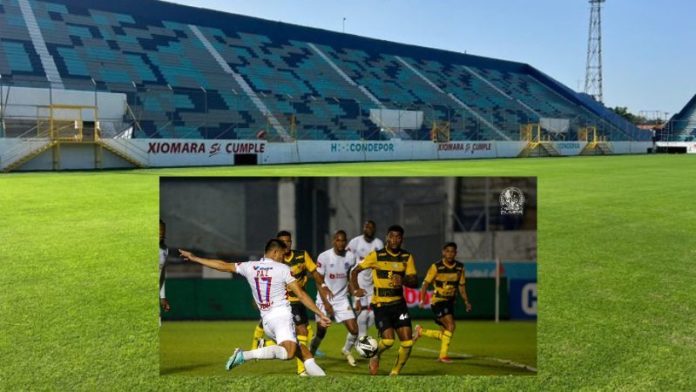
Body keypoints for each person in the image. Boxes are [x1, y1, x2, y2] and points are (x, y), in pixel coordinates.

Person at [178, 239, 331, 376]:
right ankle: (244, 356)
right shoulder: (282, 269)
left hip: (266, 323)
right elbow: (301, 295)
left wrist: (195, 258)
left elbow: (223, 266)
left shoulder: (250, 266)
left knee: (305, 354)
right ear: (275, 252)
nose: (284, 259)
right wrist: (320, 313)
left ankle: (325, 381)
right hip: (282, 318)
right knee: (289, 352)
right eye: (282, 255)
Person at [250, 230, 332, 375]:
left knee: (302, 334)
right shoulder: (276, 262)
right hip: (286, 303)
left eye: (288, 241)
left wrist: (324, 286)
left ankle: (266, 344)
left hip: (300, 301)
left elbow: (314, 273)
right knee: (302, 332)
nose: (286, 244)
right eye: (283, 242)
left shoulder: (301, 256)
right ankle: (302, 370)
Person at [349, 224, 418, 376]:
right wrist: (355, 289)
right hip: (381, 306)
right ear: (387, 237)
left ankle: (394, 373)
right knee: (388, 341)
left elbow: (414, 281)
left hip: (399, 305)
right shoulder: (376, 256)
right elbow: (355, 271)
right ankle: (375, 354)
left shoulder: (407, 257)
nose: (394, 240)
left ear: (402, 239)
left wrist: (404, 280)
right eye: (392, 236)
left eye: (398, 237)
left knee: (407, 343)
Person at [414, 242, 472, 363]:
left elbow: (461, 286)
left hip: (450, 302)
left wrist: (466, 301)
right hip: (438, 301)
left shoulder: (460, 268)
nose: (450, 254)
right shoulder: (436, 267)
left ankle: (420, 331)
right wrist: (421, 299)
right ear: (443, 252)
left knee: (445, 333)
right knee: (451, 326)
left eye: (452, 251)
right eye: (448, 251)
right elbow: (425, 283)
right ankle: (443, 356)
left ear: (456, 253)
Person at [308, 230, 360, 367]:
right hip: (324, 299)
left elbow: (350, 277)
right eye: (338, 240)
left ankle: (346, 350)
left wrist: (356, 299)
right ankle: (310, 353)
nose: (341, 243)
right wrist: (326, 303)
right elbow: (318, 281)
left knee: (354, 330)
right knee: (321, 331)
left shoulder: (351, 257)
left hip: (342, 299)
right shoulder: (324, 257)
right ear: (333, 241)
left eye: (343, 241)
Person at [346, 220, 383, 340]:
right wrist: (349, 283)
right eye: (367, 227)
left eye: (372, 227)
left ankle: (359, 337)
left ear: (375, 229)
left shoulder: (379, 244)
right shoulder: (355, 242)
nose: (369, 229)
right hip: (359, 283)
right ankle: (356, 340)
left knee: (373, 315)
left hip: (372, 285)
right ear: (363, 228)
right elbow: (346, 261)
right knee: (360, 314)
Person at [159, 220, 170, 326]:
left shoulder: (164, 249)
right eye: (159, 229)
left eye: (163, 230)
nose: (161, 232)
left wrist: (162, 297)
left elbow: (161, 275)